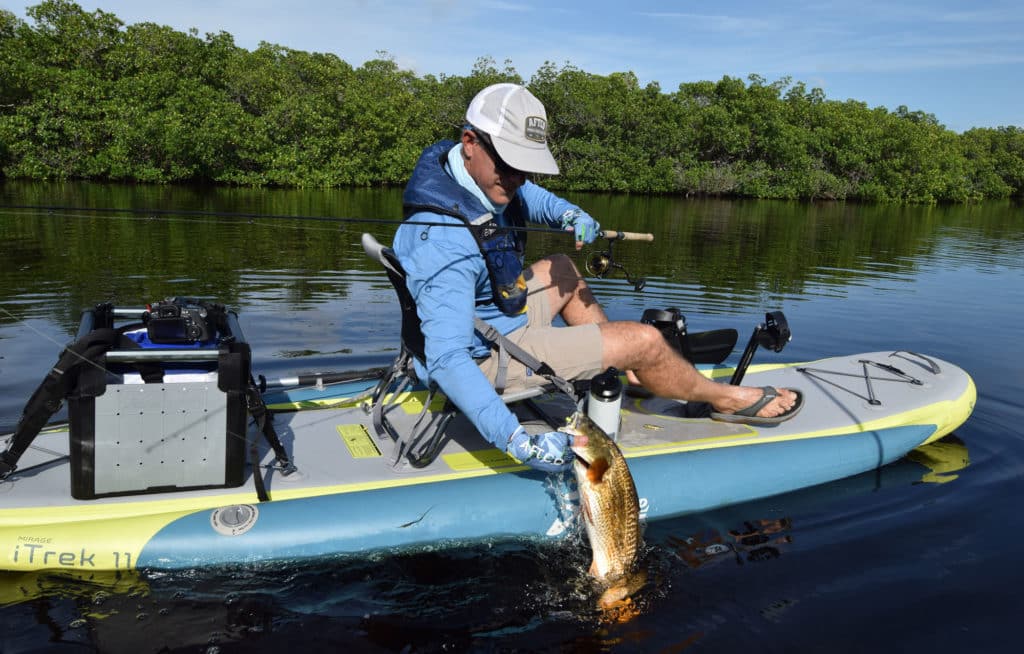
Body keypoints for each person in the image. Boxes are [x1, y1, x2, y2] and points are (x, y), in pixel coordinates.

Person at [392, 83, 800, 473]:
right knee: (646, 339)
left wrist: (573, 217)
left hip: (494, 316)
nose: (516, 178)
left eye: (524, 168)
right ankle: (725, 398)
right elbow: (448, 358)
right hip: (484, 358)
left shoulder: (474, 176)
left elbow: (536, 199)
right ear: (470, 141)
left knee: (563, 268)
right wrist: (517, 440)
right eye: (508, 164)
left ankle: (634, 368)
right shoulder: (442, 240)